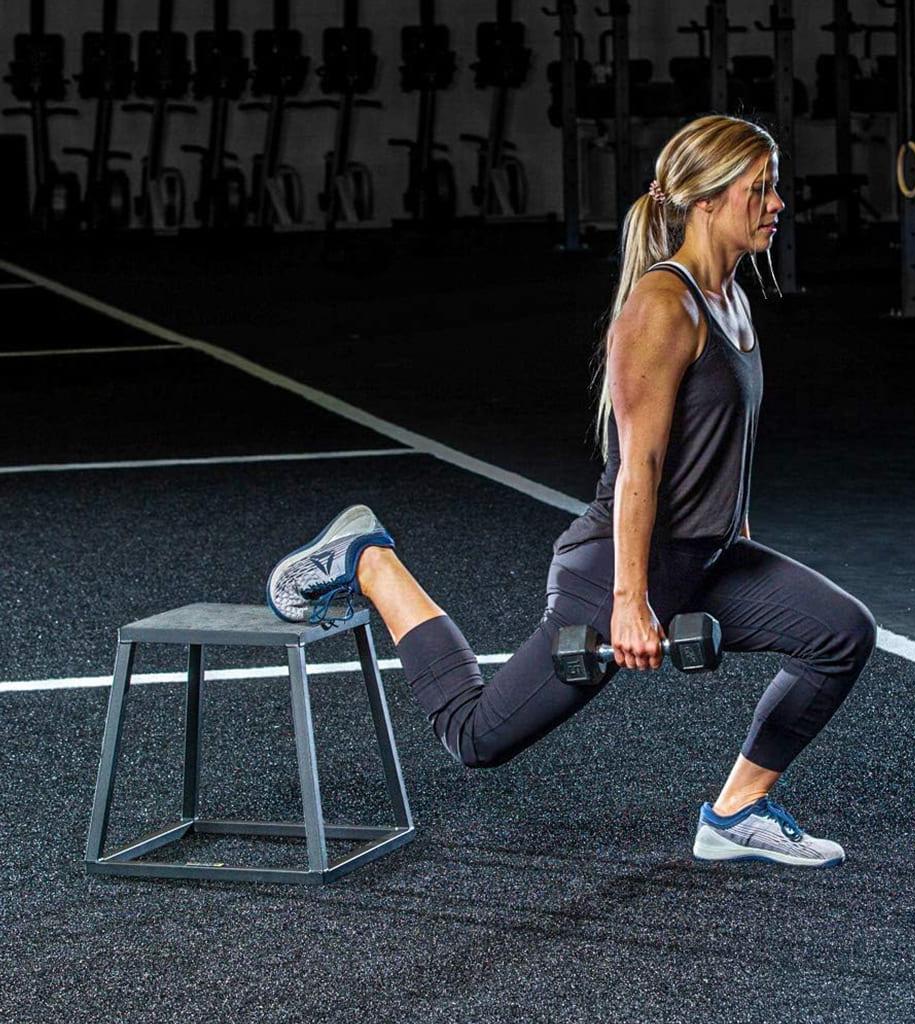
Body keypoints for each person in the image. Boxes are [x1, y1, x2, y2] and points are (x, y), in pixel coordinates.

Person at [267, 115, 876, 869]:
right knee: (477, 737)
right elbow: (638, 469)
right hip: (617, 569)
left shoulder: (735, 301)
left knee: (840, 633)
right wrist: (629, 601)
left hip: (704, 559)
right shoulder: (664, 306)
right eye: (762, 188)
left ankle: (735, 811)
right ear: (708, 200)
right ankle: (371, 562)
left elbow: (721, 444)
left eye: (774, 186)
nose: (778, 202)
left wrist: (737, 536)